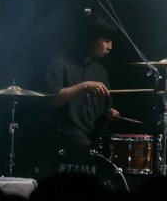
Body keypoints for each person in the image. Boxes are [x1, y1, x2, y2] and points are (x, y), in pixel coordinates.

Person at [43, 14, 122, 153]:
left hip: (93, 134)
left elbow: (104, 108)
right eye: (106, 40)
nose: (110, 47)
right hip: (66, 134)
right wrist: (84, 86)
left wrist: (110, 113)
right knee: (86, 151)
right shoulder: (61, 63)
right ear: (92, 38)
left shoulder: (101, 71)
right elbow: (52, 99)